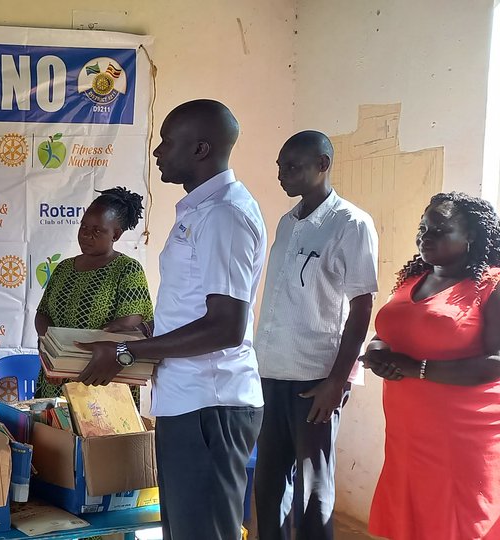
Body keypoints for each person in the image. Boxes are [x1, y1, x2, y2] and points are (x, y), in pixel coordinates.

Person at [74, 99, 266, 539]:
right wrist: (148, 333)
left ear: (201, 150)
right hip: (189, 400)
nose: (158, 153)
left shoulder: (224, 215)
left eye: (167, 142)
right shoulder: (202, 211)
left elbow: (226, 326)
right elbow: (198, 309)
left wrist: (126, 352)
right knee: (184, 529)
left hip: (211, 404)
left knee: (202, 532)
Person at [252, 131, 378, 540]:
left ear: (323, 165)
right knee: (268, 485)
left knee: (313, 490)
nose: (282, 175)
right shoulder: (288, 223)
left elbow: (361, 309)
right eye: (280, 166)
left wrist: (337, 381)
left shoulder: (351, 224)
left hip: (315, 379)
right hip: (272, 372)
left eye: (293, 166)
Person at [363, 192, 500, 540]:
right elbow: (387, 333)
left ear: (471, 236)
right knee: (412, 516)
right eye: (423, 228)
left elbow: (496, 362)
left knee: (456, 520)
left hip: (459, 435)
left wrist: (415, 369)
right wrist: (378, 350)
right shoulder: (413, 280)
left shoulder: (490, 285)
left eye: (439, 229)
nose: (426, 236)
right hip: (408, 431)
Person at [34, 187, 154, 399]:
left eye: (97, 231)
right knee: (54, 431)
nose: (86, 235)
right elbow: (43, 313)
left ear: (116, 234)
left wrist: (80, 350)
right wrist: (50, 351)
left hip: (102, 381)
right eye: (84, 227)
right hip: (56, 376)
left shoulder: (127, 269)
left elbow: (129, 322)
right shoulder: (63, 268)